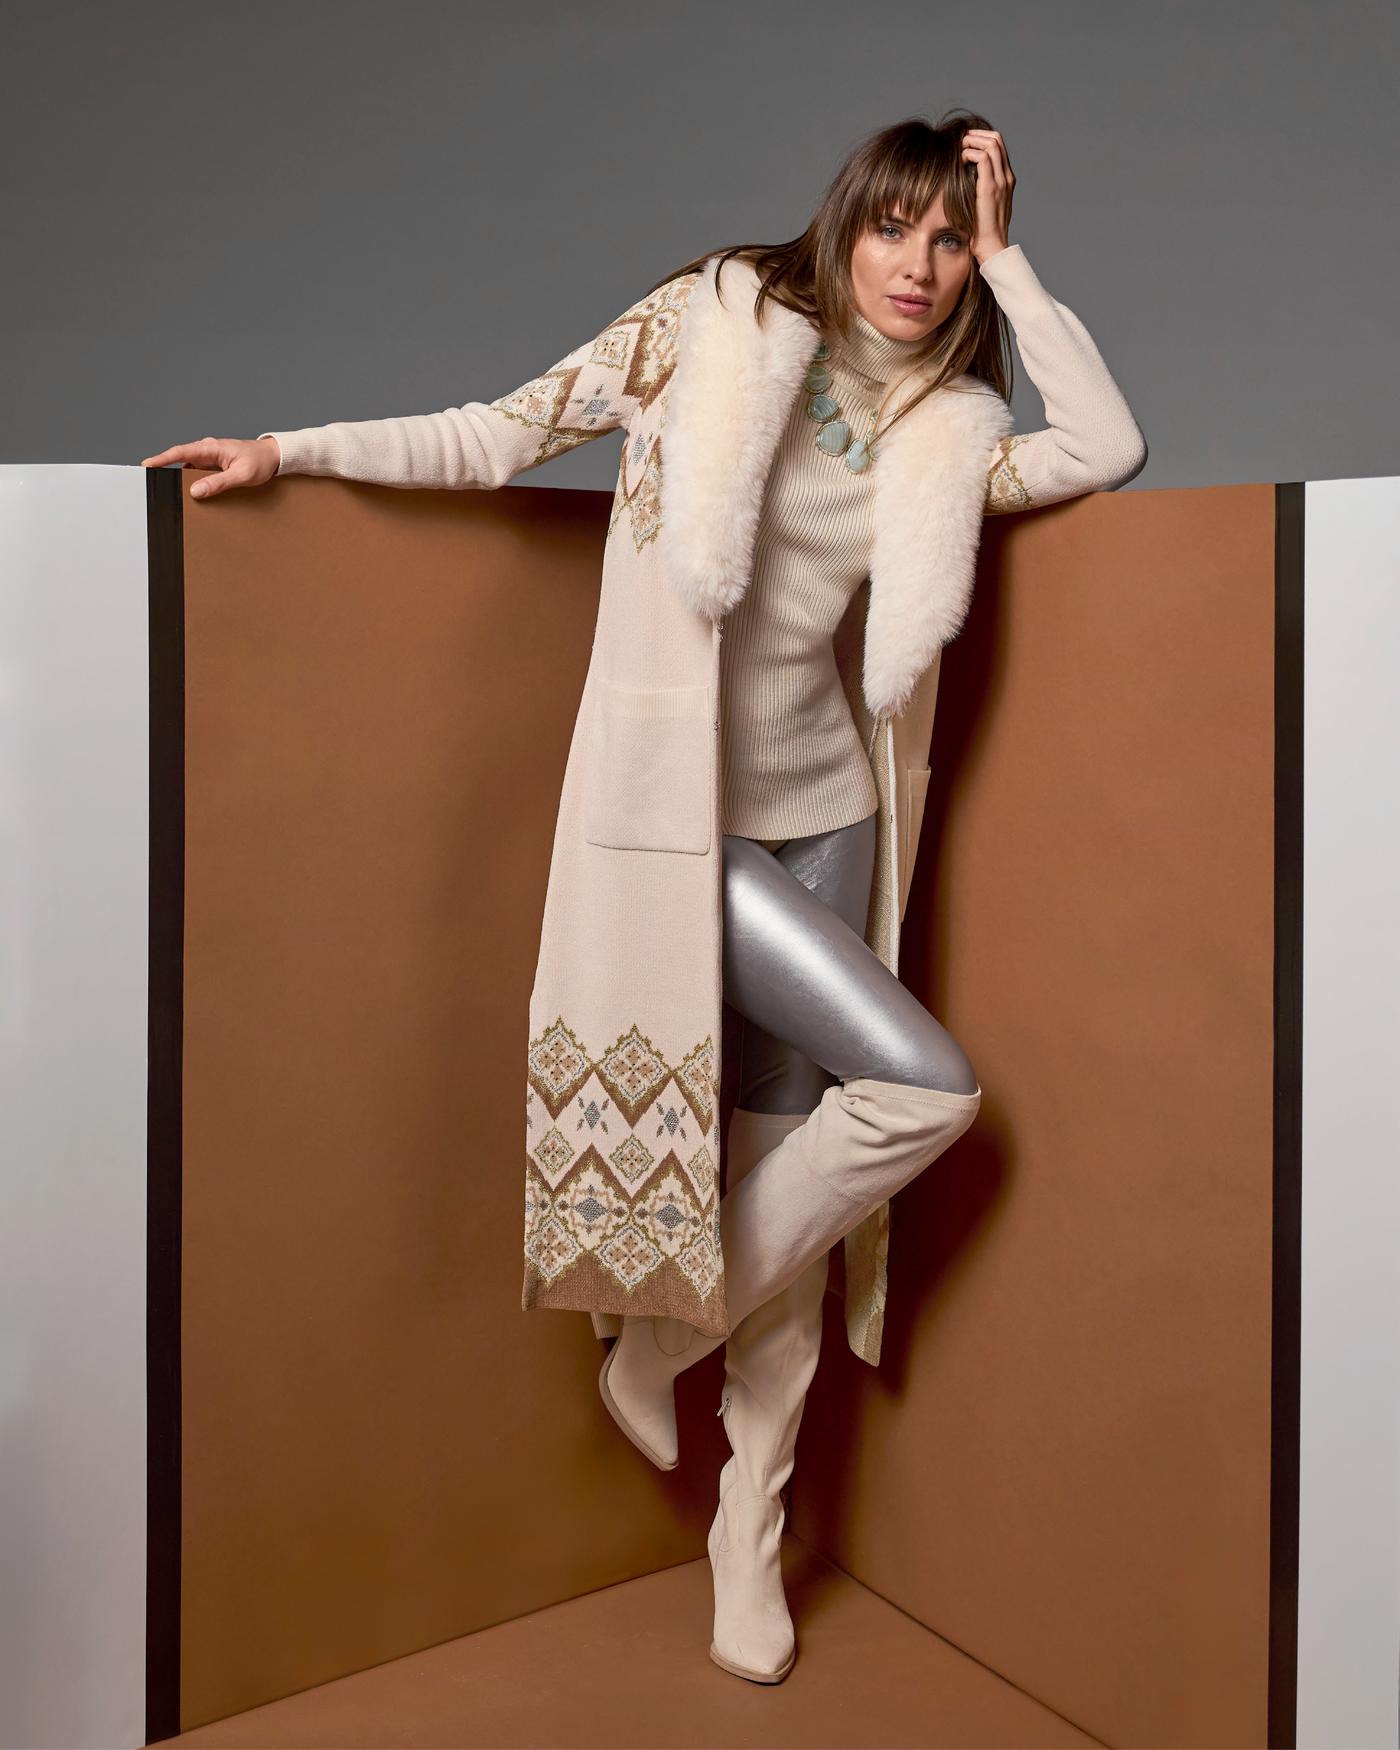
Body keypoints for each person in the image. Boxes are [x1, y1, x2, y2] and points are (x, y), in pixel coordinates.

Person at [146, 113, 1145, 1686]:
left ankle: (744, 1516)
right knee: (929, 1088)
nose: (918, 262)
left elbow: (1105, 445)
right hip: (688, 825)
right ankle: (672, 1336)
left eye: (952, 238)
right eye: (898, 226)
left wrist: (1021, 266)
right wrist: (290, 449)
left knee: (789, 1155)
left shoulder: (949, 426)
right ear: (847, 221)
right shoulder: (713, 324)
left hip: (831, 820)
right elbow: (501, 430)